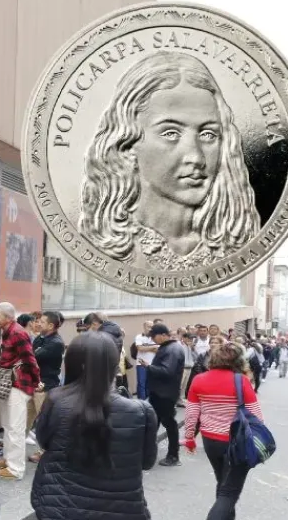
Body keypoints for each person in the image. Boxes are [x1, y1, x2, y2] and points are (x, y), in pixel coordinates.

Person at [79, 51, 260, 271]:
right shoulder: (105, 246)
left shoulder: (233, 248)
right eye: (171, 133)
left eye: (208, 134)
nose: (196, 157)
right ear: (128, 144)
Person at [31, 331, 157, 520]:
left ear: (72, 363)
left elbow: (44, 441)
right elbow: (147, 462)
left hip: (63, 516)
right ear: (115, 365)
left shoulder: (57, 400)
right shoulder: (141, 411)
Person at [184, 342, 264, 520]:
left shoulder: (199, 380)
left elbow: (191, 414)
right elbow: (256, 415)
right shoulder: (241, 381)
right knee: (230, 489)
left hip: (210, 441)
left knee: (224, 482)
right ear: (239, 360)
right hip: (236, 442)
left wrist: (189, 438)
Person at [0, 302, 40, 481]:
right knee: (8, 425)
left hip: (19, 385)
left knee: (15, 428)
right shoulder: (7, 331)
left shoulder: (18, 333)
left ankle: (15, 469)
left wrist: (36, 381)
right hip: (10, 385)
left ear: (8, 317)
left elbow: (30, 360)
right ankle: (9, 460)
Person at [139, 323, 184, 467]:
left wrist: (149, 367)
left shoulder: (172, 349)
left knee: (169, 423)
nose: (153, 339)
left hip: (164, 394)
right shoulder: (169, 347)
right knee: (155, 422)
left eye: (154, 336)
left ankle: (173, 455)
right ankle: (148, 453)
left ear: (164, 335)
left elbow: (167, 371)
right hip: (160, 393)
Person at [29, 311, 65, 464]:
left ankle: (45, 452)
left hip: (45, 387)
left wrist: (32, 352)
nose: (38, 324)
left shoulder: (56, 343)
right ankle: (13, 452)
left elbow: (31, 356)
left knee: (45, 421)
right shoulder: (41, 338)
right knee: (24, 420)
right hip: (32, 385)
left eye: (42, 322)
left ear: (51, 325)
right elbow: (31, 353)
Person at [133, 320, 157, 399]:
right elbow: (140, 348)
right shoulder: (139, 337)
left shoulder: (155, 338)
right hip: (141, 364)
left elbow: (158, 350)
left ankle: (148, 402)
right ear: (144, 327)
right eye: (148, 326)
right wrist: (153, 347)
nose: (150, 328)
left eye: (152, 327)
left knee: (150, 384)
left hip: (152, 365)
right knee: (141, 384)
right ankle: (141, 402)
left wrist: (145, 347)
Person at [179, 331, 198, 405]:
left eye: (192, 338)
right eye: (189, 338)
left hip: (189, 368)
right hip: (182, 368)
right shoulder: (180, 345)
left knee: (184, 385)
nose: (191, 340)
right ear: (184, 338)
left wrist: (193, 348)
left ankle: (181, 399)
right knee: (180, 385)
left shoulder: (190, 347)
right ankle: (176, 400)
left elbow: (196, 357)